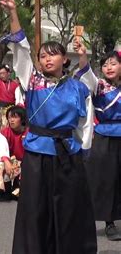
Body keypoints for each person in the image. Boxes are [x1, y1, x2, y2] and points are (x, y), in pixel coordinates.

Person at [0, 0, 97, 253]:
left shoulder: (77, 88)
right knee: (36, 209)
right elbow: (20, 47)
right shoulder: (32, 80)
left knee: (69, 209)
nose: (46, 59)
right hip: (37, 153)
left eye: (53, 55)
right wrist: (13, 13)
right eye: (42, 56)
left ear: (65, 59)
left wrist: (83, 151)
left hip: (68, 153)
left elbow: (84, 125)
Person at [73, 42, 121, 241]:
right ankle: (109, 222)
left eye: (113, 63)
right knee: (106, 181)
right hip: (104, 136)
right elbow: (87, 76)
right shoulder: (99, 85)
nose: (108, 67)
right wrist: (83, 56)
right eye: (105, 64)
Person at [0, 105, 28, 201]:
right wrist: (7, 163)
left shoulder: (29, 132)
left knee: (20, 195)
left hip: (26, 162)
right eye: (9, 117)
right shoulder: (4, 133)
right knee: (1, 165)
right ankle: (5, 190)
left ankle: (18, 186)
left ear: (22, 119)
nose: (11, 120)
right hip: (11, 161)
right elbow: (2, 152)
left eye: (15, 117)